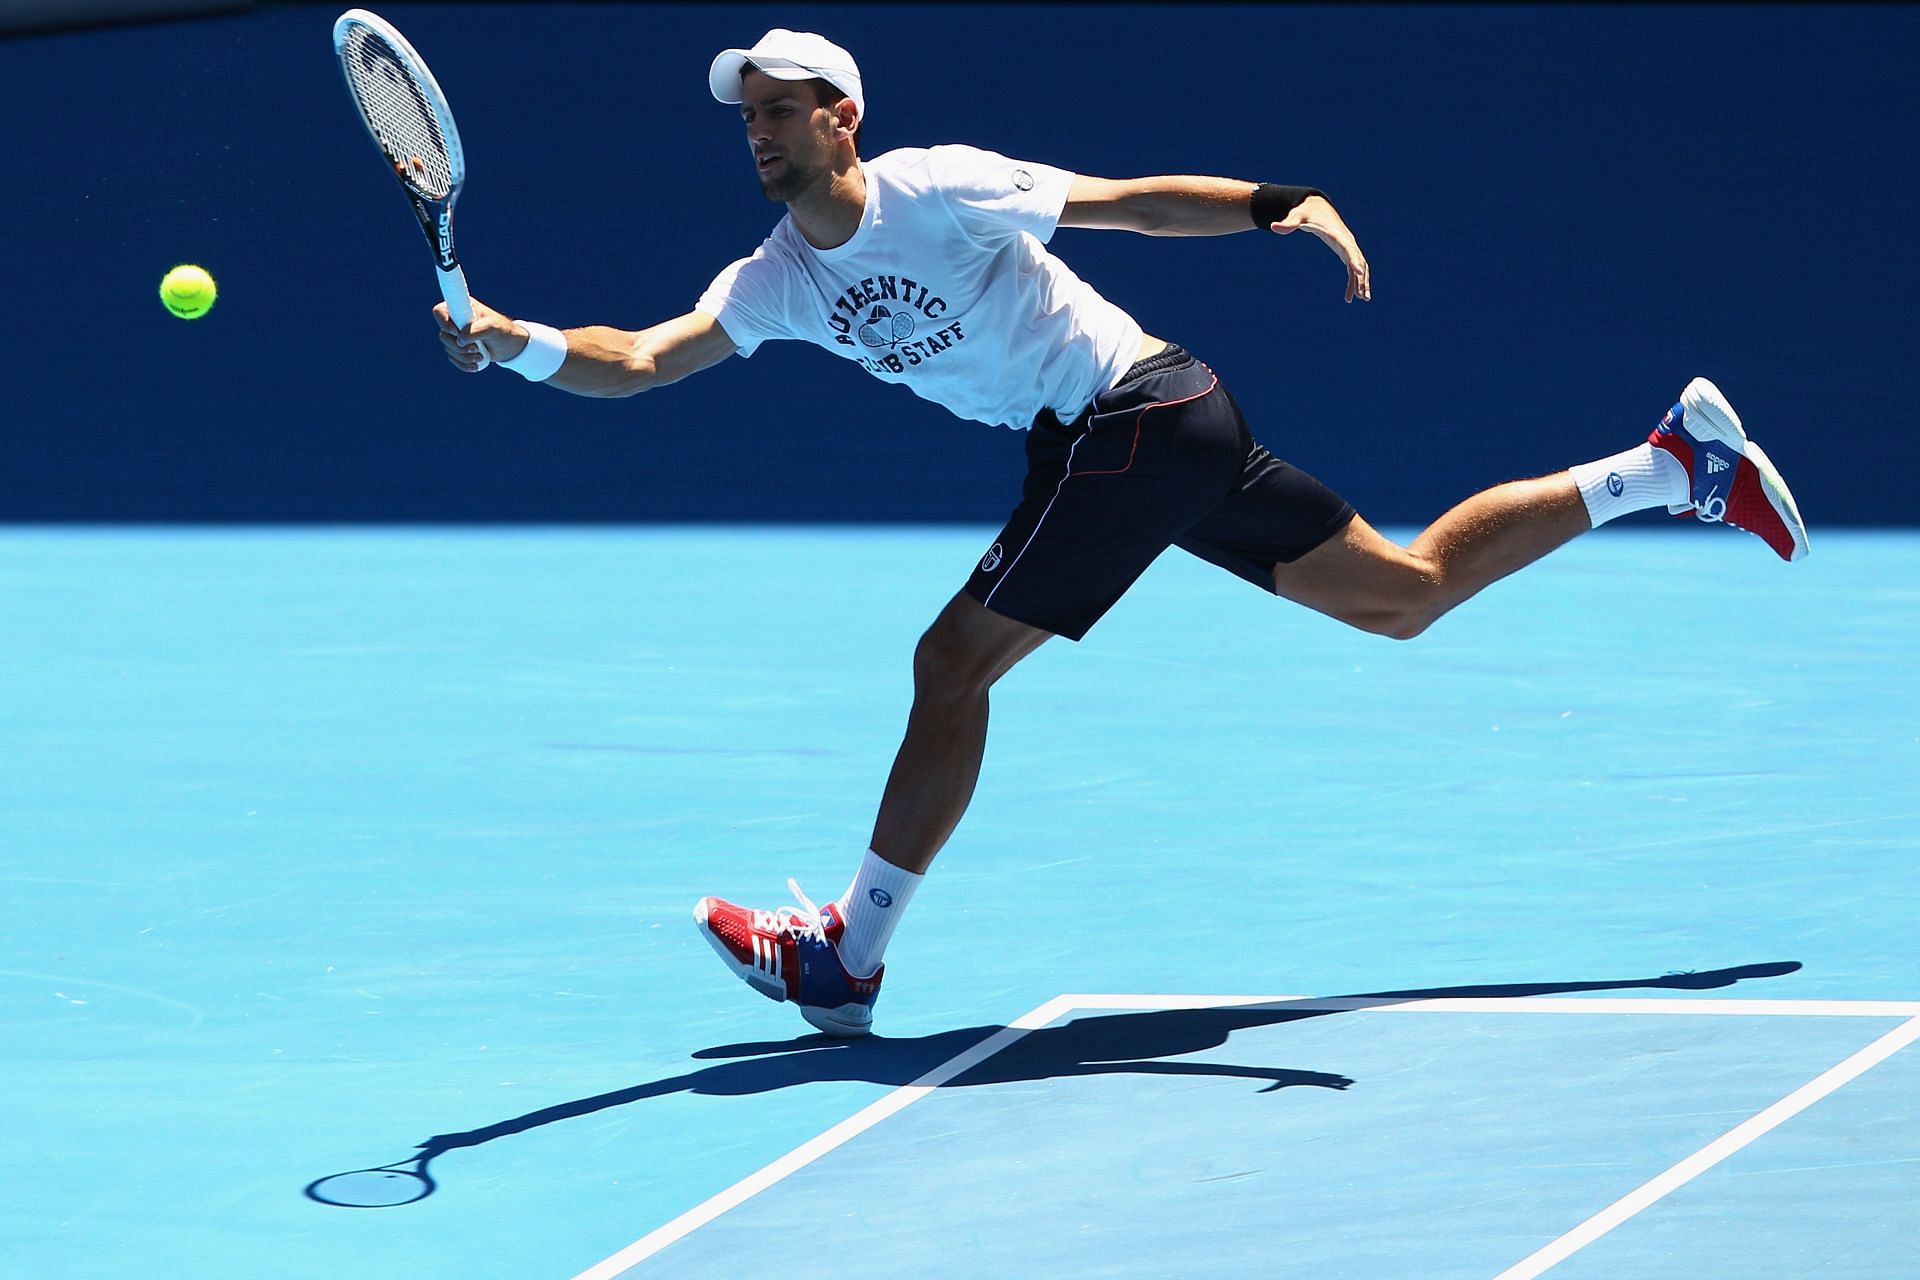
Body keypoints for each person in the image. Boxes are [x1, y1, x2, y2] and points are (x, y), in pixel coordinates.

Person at [435, 29, 1809, 1038]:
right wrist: (515, 345)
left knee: (949, 666)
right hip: (1134, 435)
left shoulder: (936, 185)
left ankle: (848, 960)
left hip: (1138, 412)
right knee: (1403, 595)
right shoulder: (777, 277)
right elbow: (644, 358)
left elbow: (1122, 197)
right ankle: (1671, 465)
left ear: (843, 119)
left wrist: (1278, 204)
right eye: (749, 117)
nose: (760, 132)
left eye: (784, 111)